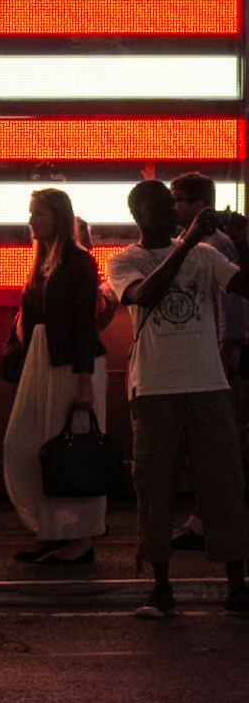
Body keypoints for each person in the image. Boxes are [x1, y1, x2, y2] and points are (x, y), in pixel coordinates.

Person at [106, 181, 249, 619]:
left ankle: (236, 586)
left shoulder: (207, 255)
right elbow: (144, 294)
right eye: (160, 206)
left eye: (173, 204)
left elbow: (244, 286)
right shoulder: (124, 260)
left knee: (224, 484)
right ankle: (160, 586)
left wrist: (241, 240)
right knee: (154, 488)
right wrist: (187, 241)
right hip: (154, 387)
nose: (172, 212)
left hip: (207, 383)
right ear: (138, 215)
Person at [1, 187, 107, 567]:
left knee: (66, 449)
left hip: (67, 364)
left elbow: (83, 323)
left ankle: (78, 538)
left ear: (58, 218)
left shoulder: (77, 262)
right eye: (31, 214)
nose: (31, 222)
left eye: (38, 214)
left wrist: (83, 380)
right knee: (31, 446)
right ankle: (52, 530)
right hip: (45, 360)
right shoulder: (45, 262)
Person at [164, 172, 249, 552]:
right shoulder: (185, 243)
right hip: (202, 355)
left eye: (178, 199)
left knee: (213, 444)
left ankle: (209, 519)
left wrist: (225, 350)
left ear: (199, 205)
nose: (173, 206)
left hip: (216, 357)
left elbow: (231, 304)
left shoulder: (217, 244)